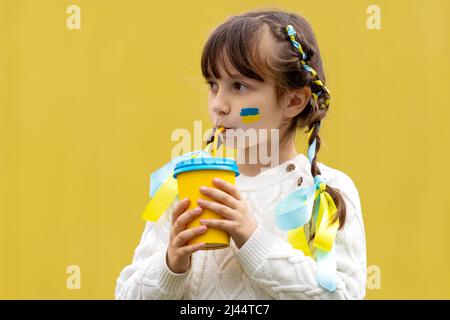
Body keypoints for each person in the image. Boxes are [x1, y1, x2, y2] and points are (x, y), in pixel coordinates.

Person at [115, 9, 366, 299]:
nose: (219, 105)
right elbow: (125, 294)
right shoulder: (180, 184)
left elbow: (343, 294)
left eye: (239, 86)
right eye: (213, 85)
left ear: (294, 100)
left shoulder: (324, 193)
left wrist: (252, 238)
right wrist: (172, 264)